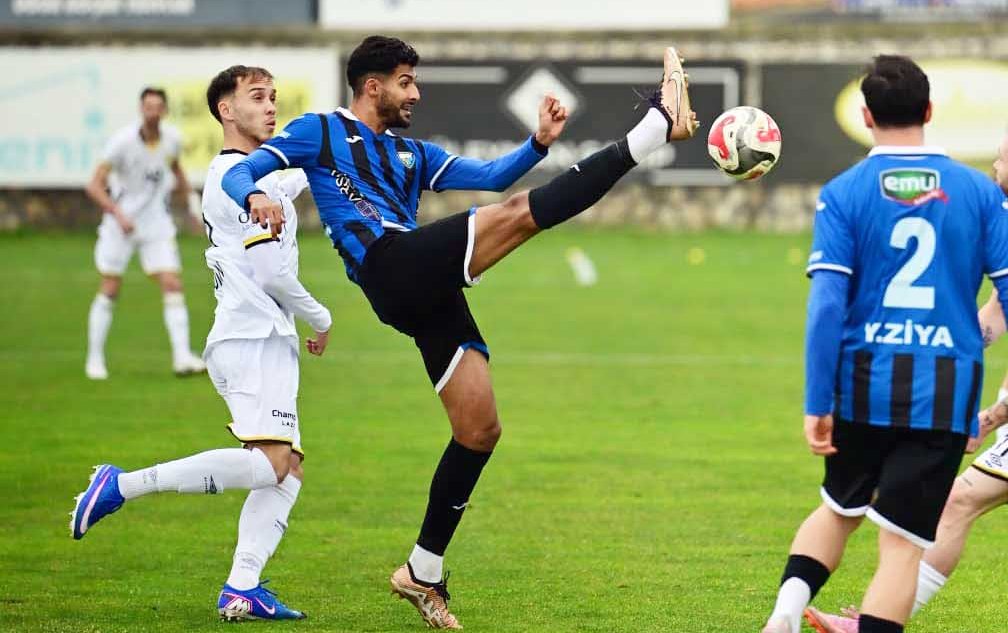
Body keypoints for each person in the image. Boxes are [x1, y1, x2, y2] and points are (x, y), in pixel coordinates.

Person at [221, 35, 697, 629]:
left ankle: (421, 570)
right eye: (405, 82)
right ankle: (655, 125)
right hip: (391, 267)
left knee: (479, 430)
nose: (414, 93)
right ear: (372, 86)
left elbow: (494, 176)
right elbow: (239, 174)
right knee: (524, 216)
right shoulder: (319, 131)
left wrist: (538, 143)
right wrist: (259, 190)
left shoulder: (411, 154)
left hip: (425, 288)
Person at [70, 65, 332, 622]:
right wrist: (322, 316)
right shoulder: (233, 180)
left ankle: (242, 587)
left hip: (267, 338)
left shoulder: (257, 176)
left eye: (274, 98)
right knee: (268, 466)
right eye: (256, 98)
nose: (270, 106)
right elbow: (273, 275)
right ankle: (122, 485)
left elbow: (301, 172)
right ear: (225, 110)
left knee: (288, 472)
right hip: (249, 336)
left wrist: (343, 138)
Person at [760, 55, 1008, 633]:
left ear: (866, 116)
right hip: (945, 391)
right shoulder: (977, 192)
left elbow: (825, 305)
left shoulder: (843, 192)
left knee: (839, 509)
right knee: (901, 547)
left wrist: (816, 403)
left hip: (863, 383)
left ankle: (785, 613)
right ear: (928, 111)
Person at [84, 87, 206, 379]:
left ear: (164, 111)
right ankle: (95, 358)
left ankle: (182, 357)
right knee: (111, 287)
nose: (152, 112)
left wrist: (192, 206)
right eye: (147, 106)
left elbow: (177, 171)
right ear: (141, 109)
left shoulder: (172, 139)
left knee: (172, 284)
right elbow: (94, 185)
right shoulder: (121, 143)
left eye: (157, 107)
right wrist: (117, 213)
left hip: (155, 223)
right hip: (120, 224)